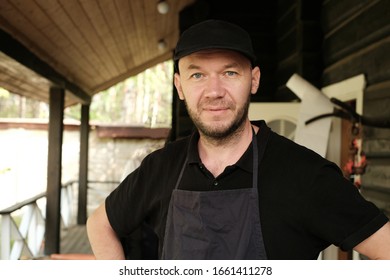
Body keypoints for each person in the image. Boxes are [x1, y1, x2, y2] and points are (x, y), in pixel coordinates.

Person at [87, 19, 390, 260]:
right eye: (197, 75)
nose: (215, 90)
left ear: (254, 80)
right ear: (179, 86)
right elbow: (100, 225)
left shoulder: (305, 174)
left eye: (230, 73)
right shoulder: (159, 168)